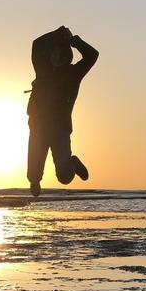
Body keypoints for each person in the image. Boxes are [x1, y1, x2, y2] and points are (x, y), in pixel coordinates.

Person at [26, 26, 99, 197]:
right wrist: (59, 33)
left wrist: (74, 41)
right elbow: (36, 45)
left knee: (65, 178)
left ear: (67, 58)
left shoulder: (74, 73)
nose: (56, 58)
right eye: (54, 54)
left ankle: (72, 163)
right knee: (33, 175)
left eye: (61, 55)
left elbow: (92, 55)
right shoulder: (42, 70)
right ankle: (35, 181)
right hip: (38, 129)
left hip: (60, 130)